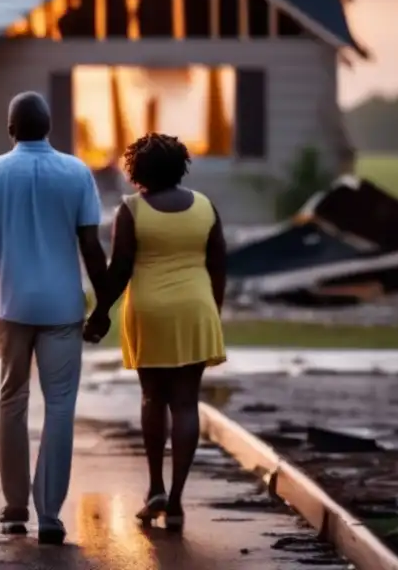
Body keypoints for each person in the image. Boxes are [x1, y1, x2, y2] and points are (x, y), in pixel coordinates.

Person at [0, 91, 108, 545]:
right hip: (63, 306)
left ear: (10, 129)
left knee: (12, 400)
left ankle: (14, 506)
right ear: (49, 128)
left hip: (12, 306)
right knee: (60, 407)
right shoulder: (77, 172)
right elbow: (90, 245)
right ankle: (50, 514)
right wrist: (103, 306)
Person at [84, 133, 227, 532]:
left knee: (152, 397)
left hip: (149, 310)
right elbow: (218, 264)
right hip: (196, 309)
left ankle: (155, 488)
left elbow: (121, 268)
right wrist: (213, 311)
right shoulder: (205, 207)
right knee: (186, 403)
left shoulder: (131, 210)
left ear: (135, 171)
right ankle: (178, 502)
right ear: (181, 166)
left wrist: (100, 315)